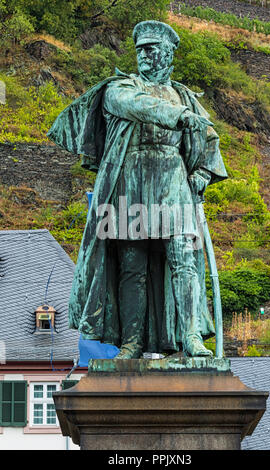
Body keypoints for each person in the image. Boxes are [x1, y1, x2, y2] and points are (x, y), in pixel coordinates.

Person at [47, 21, 228, 359]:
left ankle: (191, 336)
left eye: (151, 48)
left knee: (184, 259)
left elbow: (209, 142)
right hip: (130, 182)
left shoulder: (185, 96)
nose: (144, 53)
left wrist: (202, 172)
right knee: (131, 265)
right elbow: (136, 106)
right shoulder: (120, 88)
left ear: (169, 54)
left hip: (173, 181)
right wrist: (179, 116)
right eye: (140, 48)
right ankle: (132, 342)